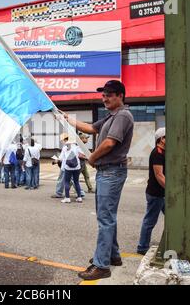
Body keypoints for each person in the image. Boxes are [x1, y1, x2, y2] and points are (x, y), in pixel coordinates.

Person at [60, 80, 134, 280]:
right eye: (103, 95)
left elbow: (110, 143)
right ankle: (113, 256)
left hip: (111, 171)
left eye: (109, 94)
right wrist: (67, 118)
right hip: (107, 171)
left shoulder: (123, 116)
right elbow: (91, 128)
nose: (104, 98)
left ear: (120, 96)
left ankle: (102, 266)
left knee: (105, 219)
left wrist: (92, 157)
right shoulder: (111, 117)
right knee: (108, 217)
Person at [137, 128, 166, 255]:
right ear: (162, 139)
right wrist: (170, 190)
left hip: (162, 193)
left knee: (172, 218)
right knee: (150, 221)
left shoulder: (164, 152)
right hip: (156, 193)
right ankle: (142, 247)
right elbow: (159, 175)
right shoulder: (157, 153)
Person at [59, 139, 85, 203]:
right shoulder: (76, 147)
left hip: (68, 167)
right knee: (76, 182)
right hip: (77, 167)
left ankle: (67, 198)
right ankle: (79, 197)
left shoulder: (65, 148)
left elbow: (61, 158)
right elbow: (83, 153)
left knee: (67, 182)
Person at [51, 133, 70, 199]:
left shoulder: (65, 147)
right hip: (72, 167)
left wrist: (55, 160)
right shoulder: (73, 146)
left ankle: (58, 193)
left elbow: (61, 158)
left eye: (61, 140)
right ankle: (81, 193)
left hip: (65, 167)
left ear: (64, 139)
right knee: (73, 180)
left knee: (61, 180)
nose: (61, 141)